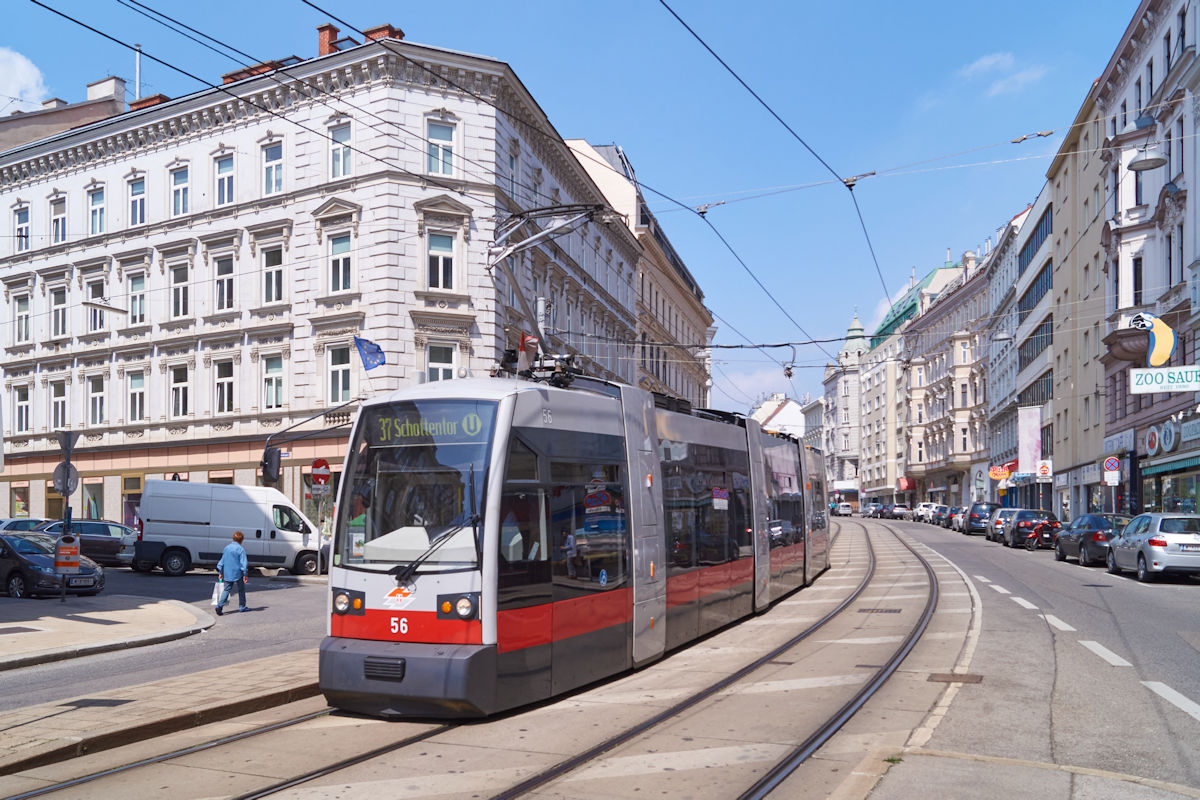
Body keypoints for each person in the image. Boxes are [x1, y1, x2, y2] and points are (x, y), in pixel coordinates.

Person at [215, 530, 250, 615]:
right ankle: (242, 606)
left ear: (233, 538)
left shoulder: (227, 548)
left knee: (226, 590)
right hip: (238, 573)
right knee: (241, 590)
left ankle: (219, 606)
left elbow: (222, 561)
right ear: (241, 540)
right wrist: (245, 574)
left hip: (227, 572)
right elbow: (243, 563)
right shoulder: (241, 549)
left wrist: (221, 572)